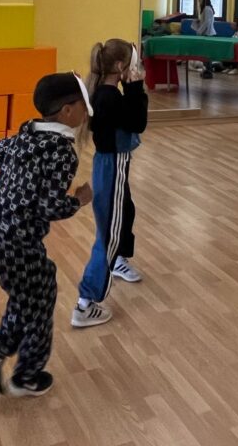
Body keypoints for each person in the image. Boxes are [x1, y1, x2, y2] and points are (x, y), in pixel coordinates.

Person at [0, 72, 93, 398]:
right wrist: (79, 200)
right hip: (19, 242)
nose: (86, 113)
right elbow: (50, 206)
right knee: (34, 303)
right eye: (83, 106)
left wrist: (20, 180)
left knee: (33, 296)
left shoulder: (27, 132)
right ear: (67, 111)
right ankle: (14, 372)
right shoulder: (62, 151)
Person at [72, 39, 148, 328]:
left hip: (112, 166)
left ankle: (116, 262)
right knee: (108, 238)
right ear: (120, 66)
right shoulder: (109, 97)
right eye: (131, 64)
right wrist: (136, 87)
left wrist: (131, 87)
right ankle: (86, 303)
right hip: (112, 167)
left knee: (124, 214)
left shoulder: (106, 92)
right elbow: (138, 122)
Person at [194, 0, 217, 78]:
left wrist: (199, 31)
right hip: (206, 33)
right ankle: (206, 70)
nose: (199, 0)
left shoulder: (207, 8)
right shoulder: (205, 9)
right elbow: (205, 22)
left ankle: (208, 71)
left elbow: (207, 22)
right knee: (204, 54)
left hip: (208, 34)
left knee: (207, 55)